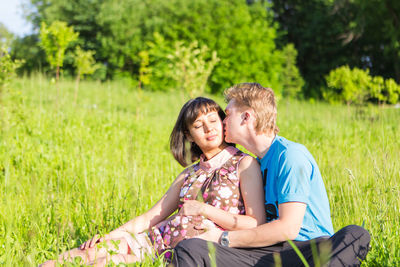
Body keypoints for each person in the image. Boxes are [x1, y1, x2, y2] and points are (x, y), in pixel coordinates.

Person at [41, 97, 266, 266]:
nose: (208, 128)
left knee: (105, 263)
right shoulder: (189, 174)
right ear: (189, 136)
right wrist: (107, 237)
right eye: (198, 125)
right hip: (153, 240)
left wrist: (204, 209)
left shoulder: (244, 164)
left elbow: (255, 223)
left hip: (180, 254)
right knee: (85, 255)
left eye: (212, 120)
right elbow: (151, 217)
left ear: (222, 121)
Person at [172, 83, 370, 267]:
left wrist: (222, 238)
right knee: (191, 249)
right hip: (267, 252)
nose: (222, 121)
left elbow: (288, 228)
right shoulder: (253, 164)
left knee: (356, 234)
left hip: (307, 250)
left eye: (228, 114)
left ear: (247, 117)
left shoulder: (290, 155)